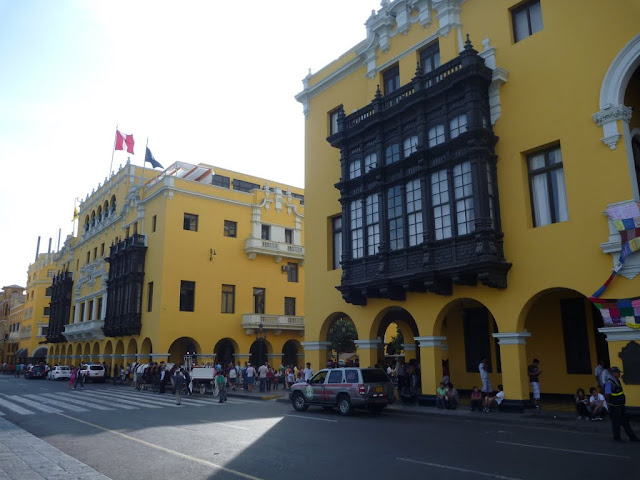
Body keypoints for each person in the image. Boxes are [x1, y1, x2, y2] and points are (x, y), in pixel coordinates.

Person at [605, 366, 639, 442]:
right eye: (618, 372)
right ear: (613, 373)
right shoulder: (609, 382)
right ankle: (617, 438)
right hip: (615, 406)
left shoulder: (617, 380)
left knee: (626, 422)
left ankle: (632, 437)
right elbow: (607, 394)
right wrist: (608, 403)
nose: (619, 374)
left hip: (621, 405)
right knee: (616, 423)